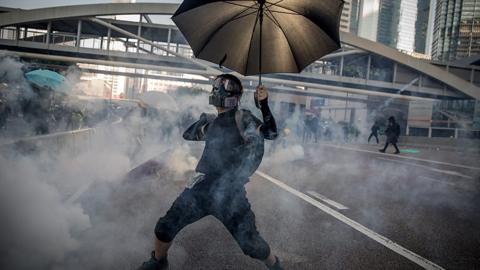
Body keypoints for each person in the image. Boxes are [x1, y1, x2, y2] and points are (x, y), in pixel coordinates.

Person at [137, 74, 283, 270]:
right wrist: (203, 121)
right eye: (217, 88)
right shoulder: (212, 121)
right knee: (164, 227)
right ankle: (158, 261)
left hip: (230, 194)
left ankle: (274, 265)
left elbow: (271, 133)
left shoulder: (244, 118)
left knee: (251, 244)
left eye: (220, 89)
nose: (216, 92)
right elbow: (187, 133)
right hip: (201, 189)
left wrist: (263, 105)